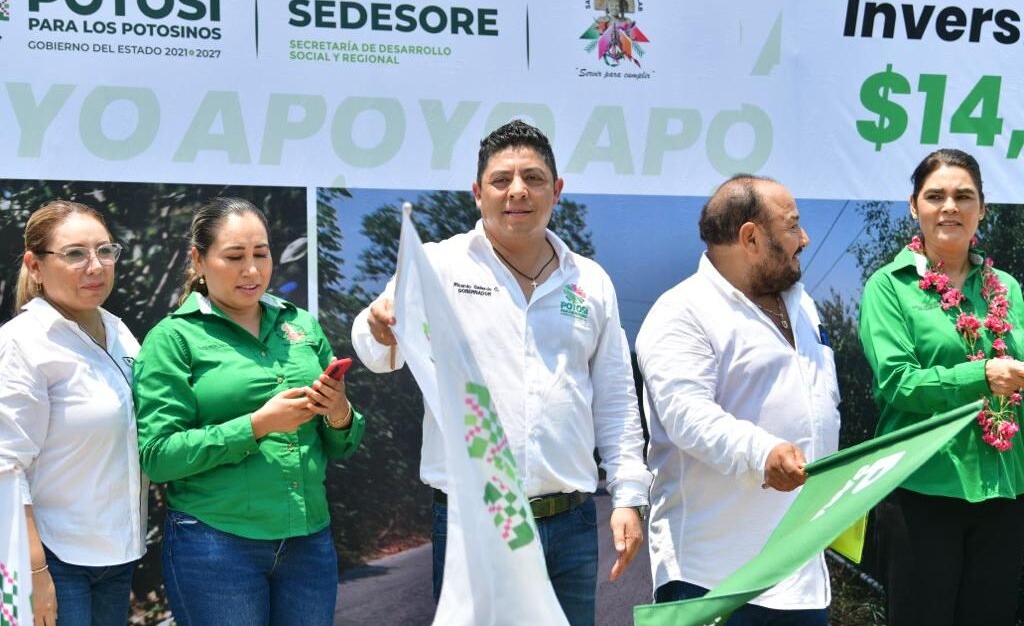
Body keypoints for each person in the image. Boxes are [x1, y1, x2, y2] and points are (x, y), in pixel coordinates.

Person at [351, 120, 651, 626]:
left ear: (556, 190)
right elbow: (374, 342)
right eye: (501, 180)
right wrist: (382, 329)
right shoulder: (439, 265)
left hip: (572, 524)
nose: (518, 191)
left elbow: (616, 400)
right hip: (475, 520)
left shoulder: (591, 282)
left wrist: (628, 498)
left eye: (533, 178)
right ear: (477, 194)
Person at [132, 197, 365, 626]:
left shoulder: (302, 325)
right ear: (198, 260)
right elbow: (159, 456)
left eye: (261, 254)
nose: (252, 270)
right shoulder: (173, 339)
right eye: (235, 257)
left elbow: (343, 441)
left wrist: (338, 411)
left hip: (308, 541)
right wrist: (258, 425)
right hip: (216, 543)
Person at [635, 175, 840, 624]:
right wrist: (763, 452)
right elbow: (688, 415)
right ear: (751, 238)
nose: (804, 239)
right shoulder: (681, 312)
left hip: (801, 574)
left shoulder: (804, 307)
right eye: (792, 227)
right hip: (714, 579)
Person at [859, 149, 1024, 626]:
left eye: (963, 196)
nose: (949, 206)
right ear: (914, 207)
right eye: (936, 196)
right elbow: (897, 383)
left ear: (982, 209)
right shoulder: (889, 287)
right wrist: (981, 376)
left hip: (1004, 491)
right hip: (922, 490)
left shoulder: (1007, 289)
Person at [0, 200, 145, 626]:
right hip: (55, 559)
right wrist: (35, 573)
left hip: (118, 557)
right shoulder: (22, 342)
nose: (96, 266)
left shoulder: (120, 332)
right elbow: (5, 466)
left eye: (104, 250)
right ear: (36, 265)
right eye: (75, 254)